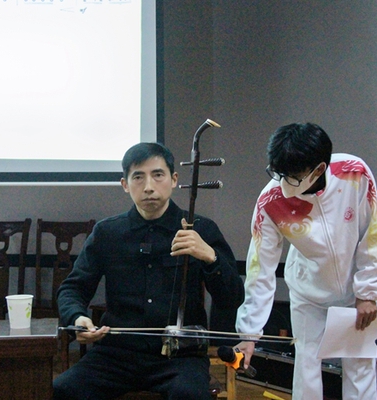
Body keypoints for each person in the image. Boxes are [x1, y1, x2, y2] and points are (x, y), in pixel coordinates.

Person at [53, 142, 245, 400]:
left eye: (158, 175)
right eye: (138, 177)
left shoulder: (201, 229)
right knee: (64, 389)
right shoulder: (108, 232)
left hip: (180, 356)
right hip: (116, 354)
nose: (148, 186)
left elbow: (232, 297)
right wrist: (77, 318)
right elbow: (73, 288)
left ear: (174, 179)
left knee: (190, 395)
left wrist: (211, 257)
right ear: (125, 184)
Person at [235, 123, 377, 399]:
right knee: (307, 364)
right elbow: (260, 268)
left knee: (360, 366)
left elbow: (374, 232)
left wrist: (368, 292)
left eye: (293, 177)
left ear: (318, 169)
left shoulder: (354, 173)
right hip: (307, 293)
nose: (284, 184)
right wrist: (249, 334)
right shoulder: (270, 201)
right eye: (279, 174)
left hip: (356, 288)